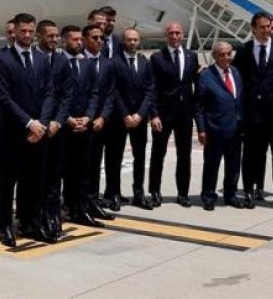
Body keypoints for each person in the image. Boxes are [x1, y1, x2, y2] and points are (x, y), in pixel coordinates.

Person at [0, 13, 53, 245]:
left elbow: (49, 93)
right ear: (14, 32)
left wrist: (42, 123)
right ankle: (6, 225)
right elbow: (4, 97)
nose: (27, 35)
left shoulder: (41, 59)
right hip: (13, 131)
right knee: (7, 182)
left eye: (30, 31)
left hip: (38, 132)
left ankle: (30, 222)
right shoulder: (1, 59)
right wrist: (29, 123)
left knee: (34, 181)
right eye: (23, 31)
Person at [233, 12, 273, 209]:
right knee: (251, 155)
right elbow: (237, 80)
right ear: (253, 29)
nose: (267, 30)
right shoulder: (243, 50)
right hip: (253, 115)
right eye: (262, 27)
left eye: (269, 27)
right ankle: (248, 193)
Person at [62, 24, 106, 227]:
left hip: (84, 125)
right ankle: (64, 209)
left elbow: (94, 93)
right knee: (62, 172)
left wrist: (88, 117)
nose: (79, 43)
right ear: (65, 41)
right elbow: (55, 95)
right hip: (65, 126)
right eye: (75, 40)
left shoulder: (87, 64)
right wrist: (68, 118)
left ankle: (81, 210)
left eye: (80, 40)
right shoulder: (58, 63)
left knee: (83, 171)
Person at [148, 22, 196, 207]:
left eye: (177, 33)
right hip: (163, 113)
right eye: (171, 33)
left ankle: (183, 193)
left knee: (185, 155)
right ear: (166, 36)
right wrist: (154, 115)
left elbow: (194, 82)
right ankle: (154, 191)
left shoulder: (192, 56)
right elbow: (152, 88)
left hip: (184, 114)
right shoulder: (157, 58)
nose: (174, 36)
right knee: (158, 154)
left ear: (182, 35)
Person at [195, 42, 246, 210]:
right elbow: (199, 106)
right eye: (221, 54)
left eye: (228, 54)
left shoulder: (237, 72)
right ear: (214, 56)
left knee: (233, 165)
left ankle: (230, 194)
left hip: (235, 129)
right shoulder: (205, 76)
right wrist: (201, 130)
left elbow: (238, 100)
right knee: (212, 165)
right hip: (214, 129)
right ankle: (208, 196)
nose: (225, 57)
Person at [109, 27, 155, 211]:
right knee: (115, 157)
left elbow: (150, 90)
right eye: (129, 40)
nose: (133, 43)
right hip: (120, 119)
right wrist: (125, 114)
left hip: (139, 118)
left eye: (135, 40)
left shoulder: (145, 62)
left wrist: (140, 114)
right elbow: (114, 90)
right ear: (123, 41)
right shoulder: (114, 62)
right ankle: (113, 193)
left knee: (140, 157)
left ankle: (138, 193)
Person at [35, 20, 70, 240]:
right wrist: (39, 122)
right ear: (39, 36)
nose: (55, 39)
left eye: (57, 36)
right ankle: (34, 216)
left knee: (55, 176)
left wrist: (57, 121)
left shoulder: (61, 61)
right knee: (36, 176)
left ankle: (52, 215)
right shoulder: (34, 59)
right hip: (36, 126)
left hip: (56, 128)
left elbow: (67, 94)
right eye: (50, 36)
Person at [82, 25, 118, 220]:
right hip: (81, 122)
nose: (99, 41)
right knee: (79, 166)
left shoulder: (107, 64)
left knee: (96, 164)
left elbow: (110, 94)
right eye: (94, 38)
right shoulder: (78, 60)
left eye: (101, 38)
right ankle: (77, 203)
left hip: (100, 122)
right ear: (85, 39)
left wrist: (102, 117)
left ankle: (92, 201)